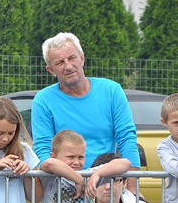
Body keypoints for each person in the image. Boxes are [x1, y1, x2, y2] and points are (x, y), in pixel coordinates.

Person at [31, 32, 140, 172]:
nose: (68, 66)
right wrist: (76, 182)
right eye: (59, 62)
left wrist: (132, 186)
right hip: (62, 184)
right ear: (50, 70)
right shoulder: (43, 100)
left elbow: (127, 137)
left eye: (72, 58)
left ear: (82, 58)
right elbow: (43, 150)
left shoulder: (111, 91)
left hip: (106, 183)